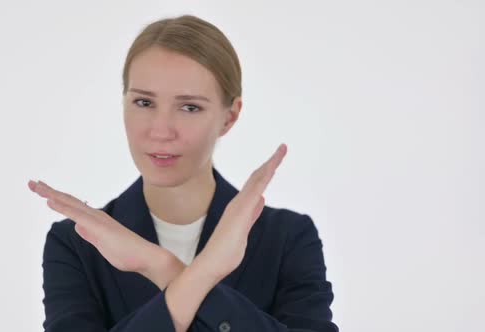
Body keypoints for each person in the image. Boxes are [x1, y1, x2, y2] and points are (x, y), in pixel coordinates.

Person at [28, 14, 338, 332]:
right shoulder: (76, 243)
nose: (161, 131)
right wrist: (193, 273)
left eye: (189, 107)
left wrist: (162, 268)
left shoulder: (287, 237)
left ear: (229, 117)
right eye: (144, 102)